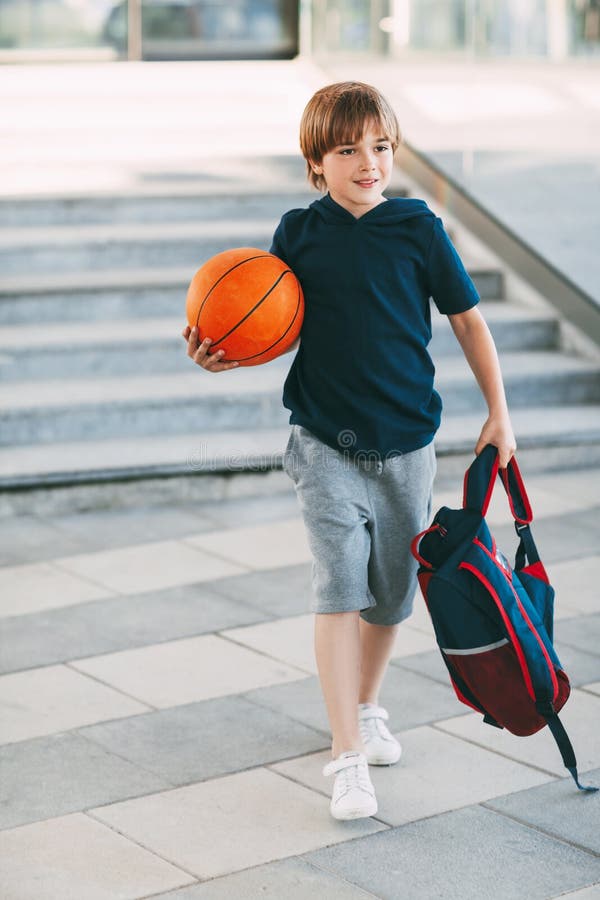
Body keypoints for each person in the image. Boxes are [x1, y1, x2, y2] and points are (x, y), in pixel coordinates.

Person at [182, 81, 516, 822]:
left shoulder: (419, 229)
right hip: (323, 440)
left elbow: (468, 323)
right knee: (340, 585)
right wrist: (224, 354)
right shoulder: (298, 234)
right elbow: (272, 321)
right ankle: (346, 756)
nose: (369, 162)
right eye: (348, 149)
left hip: (407, 445)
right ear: (316, 163)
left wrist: (500, 413)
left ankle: (367, 707)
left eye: (381, 146)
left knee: (392, 593)